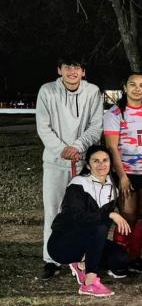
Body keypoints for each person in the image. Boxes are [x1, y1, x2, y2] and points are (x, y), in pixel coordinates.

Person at [36, 57, 103, 279]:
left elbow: (96, 126)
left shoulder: (93, 91)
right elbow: (43, 127)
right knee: (54, 210)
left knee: (84, 212)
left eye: (76, 68)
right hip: (56, 162)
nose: (72, 72)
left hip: (83, 162)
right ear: (59, 69)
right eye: (67, 67)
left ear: (83, 71)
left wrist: (78, 146)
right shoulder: (47, 91)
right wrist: (62, 149)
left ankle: (81, 256)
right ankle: (51, 259)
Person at [47, 145, 130, 297]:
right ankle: (89, 283)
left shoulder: (113, 187)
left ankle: (81, 265)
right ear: (88, 164)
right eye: (96, 161)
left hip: (90, 240)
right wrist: (110, 215)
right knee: (98, 227)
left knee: (120, 259)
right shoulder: (78, 184)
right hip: (64, 243)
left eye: (105, 160)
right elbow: (77, 217)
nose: (101, 164)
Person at [103, 72, 142, 274]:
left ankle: (134, 257)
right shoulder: (115, 113)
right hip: (127, 172)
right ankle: (119, 259)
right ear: (125, 87)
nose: (137, 89)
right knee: (127, 215)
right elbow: (112, 148)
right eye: (132, 84)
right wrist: (122, 176)